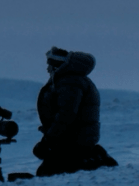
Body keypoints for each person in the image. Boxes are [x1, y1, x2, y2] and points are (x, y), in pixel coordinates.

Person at [33, 47, 117, 177]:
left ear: (56, 65)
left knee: (49, 174)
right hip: (76, 139)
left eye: (49, 64)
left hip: (72, 141)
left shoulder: (69, 82)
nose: (47, 69)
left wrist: (48, 140)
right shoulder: (71, 81)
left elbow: (66, 115)